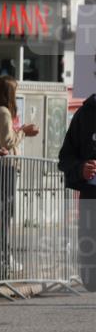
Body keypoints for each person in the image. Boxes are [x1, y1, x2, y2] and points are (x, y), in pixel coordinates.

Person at [0, 76, 39, 276]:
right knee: (5, 214)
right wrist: (23, 131)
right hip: (5, 167)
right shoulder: (3, 112)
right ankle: (3, 256)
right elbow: (7, 141)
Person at [57, 91, 96, 291]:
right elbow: (65, 157)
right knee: (91, 279)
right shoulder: (86, 114)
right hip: (92, 198)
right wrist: (81, 169)